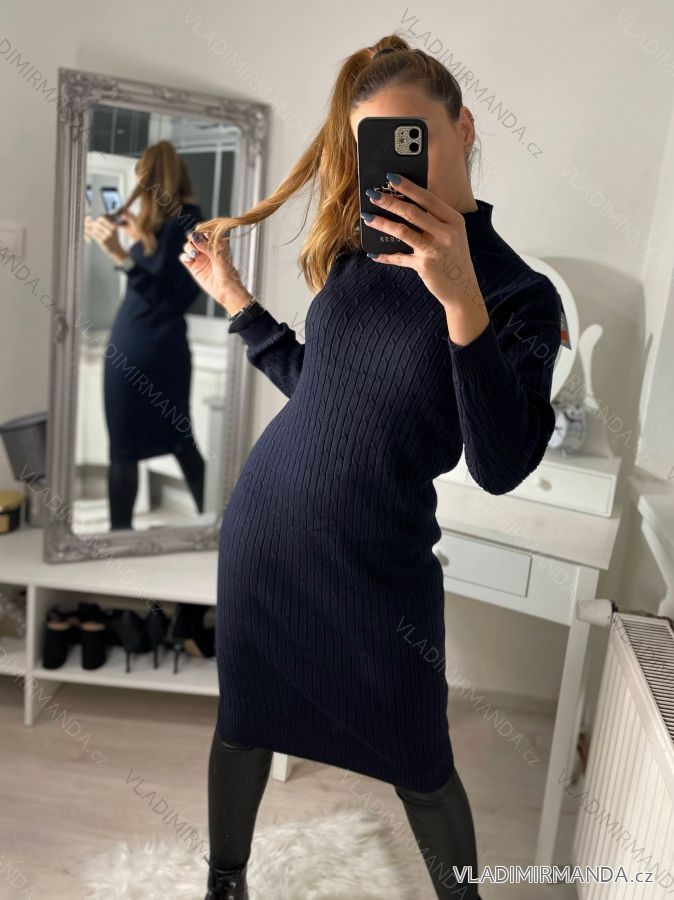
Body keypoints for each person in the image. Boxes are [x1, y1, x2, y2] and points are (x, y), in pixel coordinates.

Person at [181, 35, 562, 900]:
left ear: (463, 129)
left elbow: (501, 463)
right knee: (243, 724)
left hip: (376, 565)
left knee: (422, 765)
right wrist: (235, 298)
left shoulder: (520, 296)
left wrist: (459, 296)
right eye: (375, 147)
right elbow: (321, 390)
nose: (393, 168)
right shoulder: (361, 254)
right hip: (267, 535)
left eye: (410, 138)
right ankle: (224, 884)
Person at [84, 140, 206, 530]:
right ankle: (216, 523)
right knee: (180, 440)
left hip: (138, 349)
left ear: (150, 178)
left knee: (125, 449)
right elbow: (163, 279)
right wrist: (138, 237)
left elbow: (164, 298)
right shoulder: (184, 223)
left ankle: (120, 537)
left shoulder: (182, 224)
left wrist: (121, 255)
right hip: (161, 348)